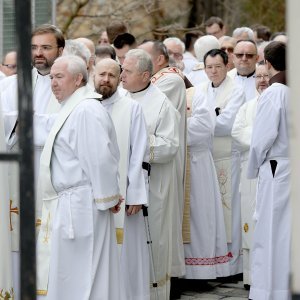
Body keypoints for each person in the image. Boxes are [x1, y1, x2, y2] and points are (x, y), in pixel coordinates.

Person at [35, 55, 121, 299]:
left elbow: (100, 158)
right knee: (70, 272)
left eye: (59, 77)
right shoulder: (73, 108)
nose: (53, 83)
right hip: (71, 204)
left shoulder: (86, 110)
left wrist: (108, 198)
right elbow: (44, 127)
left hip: (83, 207)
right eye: (51, 77)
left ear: (78, 79)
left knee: (84, 273)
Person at [0, 24, 65, 300]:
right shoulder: (11, 84)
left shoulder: (70, 84)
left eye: (46, 47)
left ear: (60, 50)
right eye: (34, 47)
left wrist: (26, 125)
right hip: (17, 172)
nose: (39, 54)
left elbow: (66, 128)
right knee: (17, 239)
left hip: (52, 173)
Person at [122, 48, 180, 300]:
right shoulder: (119, 97)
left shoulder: (162, 104)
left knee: (152, 238)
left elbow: (170, 145)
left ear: (145, 75)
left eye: (127, 71)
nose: (121, 75)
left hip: (152, 184)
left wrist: (136, 144)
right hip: (122, 186)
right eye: (121, 69)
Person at [94, 58, 150, 300]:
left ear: (120, 79)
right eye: (102, 74)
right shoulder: (85, 106)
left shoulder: (132, 108)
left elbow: (139, 152)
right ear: (93, 75)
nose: (106, 79)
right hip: (92, 196)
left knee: (125, 256)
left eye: (112, 75)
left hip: (124, 196)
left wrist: (136, 194)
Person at [138, 40, 187, 284]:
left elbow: (143, 113)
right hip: (147, 159)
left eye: (143, 55)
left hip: (163, 156)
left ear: (158, 60)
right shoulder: (154, 80)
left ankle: (168, 274)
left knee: (163, 219)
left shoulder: (169, 80)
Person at [247, 41, 290, 300]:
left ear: (268, 63)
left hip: (276, 169)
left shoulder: (275, 93)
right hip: (289, 167)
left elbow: (261, 139)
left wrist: (253, 169)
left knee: (271, 231)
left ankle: (268, 292)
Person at [201, 49, 245, 276]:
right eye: (209, 67)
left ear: (227, 66)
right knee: (211, 212)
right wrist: (214, 115)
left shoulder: (236, 91)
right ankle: (214, 262)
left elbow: (227, 124)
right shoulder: (200, 89)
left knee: (230, 211)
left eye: (218, 66)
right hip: (208, 158)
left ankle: (232, 264)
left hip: (227, 157)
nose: (213, 71)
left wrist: (205, 120)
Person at [183, 80, 230, 280]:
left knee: (200, 215)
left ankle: (201, 270)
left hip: (196, 162)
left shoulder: (196, 96)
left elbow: (203, 126)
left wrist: (174, 127)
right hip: (176, 163)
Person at [231, 62, 269, 288]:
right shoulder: (248, 106)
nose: (262, 81)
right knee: (249, 221)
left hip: (271, 169)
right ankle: (250, 277)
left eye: (266, 76)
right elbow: (237, 131)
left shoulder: (280, 103)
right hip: (249, 172)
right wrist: (261, 139)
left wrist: (260, 139)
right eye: (259, 77)